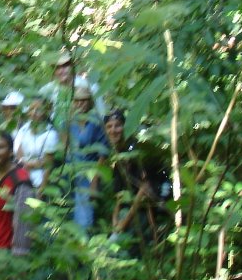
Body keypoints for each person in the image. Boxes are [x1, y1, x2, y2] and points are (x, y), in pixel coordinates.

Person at [107, 110, 171, 251]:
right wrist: (115, 222)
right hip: (133, 205)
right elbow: (120, 194)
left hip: (153, 203)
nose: (113, 130)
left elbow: (145, 189)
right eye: (109, 126)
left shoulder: (137, 150)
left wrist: (123, 224)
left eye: (117, 126)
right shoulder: (118, 157)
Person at [0, 131, 35, 255]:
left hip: (4, 253)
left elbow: (24, 221)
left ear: (11, 152)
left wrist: (19, 255)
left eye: (0, 147)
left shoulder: (20, 179)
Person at [67, 84, 108, 231]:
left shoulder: (96, 121)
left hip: (88, 175)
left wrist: (94, 182)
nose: (80, 104)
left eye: (83, 100)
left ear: (89, 101)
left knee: (84, 219)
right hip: (71, 173)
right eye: (77, 101)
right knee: (68, 216)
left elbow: (103, 153)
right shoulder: (71, 121)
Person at [14, 96, 59, 194]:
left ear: (46, 111)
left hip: (38, 181)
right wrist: (29, 163)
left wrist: (41, 191)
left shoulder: (50, 134)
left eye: (38, 110)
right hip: (21, 179)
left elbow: (48, 164)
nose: (34, 113)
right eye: (31, 109)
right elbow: (19, 151)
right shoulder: (24, 129)